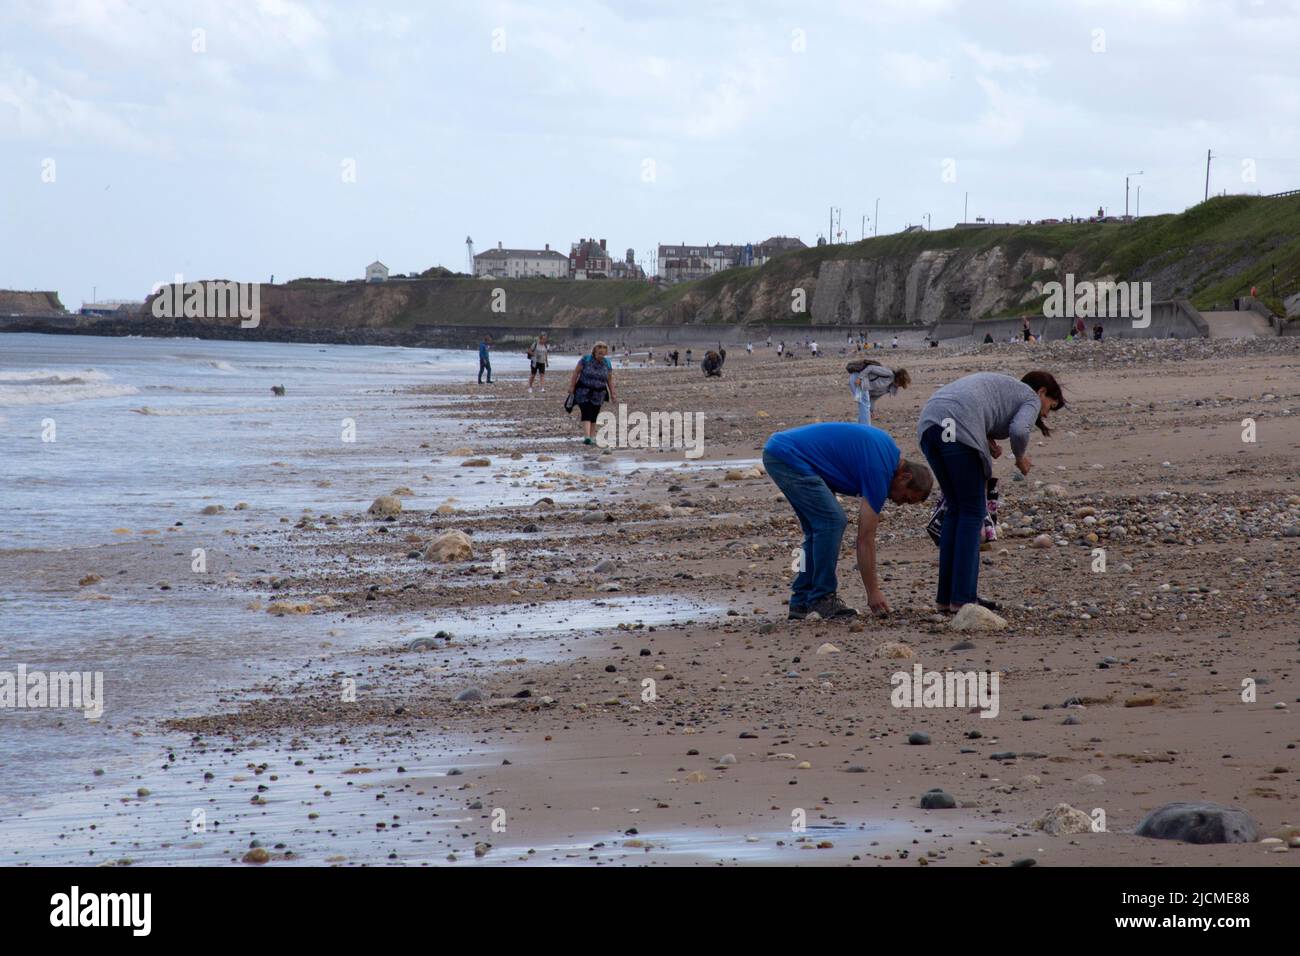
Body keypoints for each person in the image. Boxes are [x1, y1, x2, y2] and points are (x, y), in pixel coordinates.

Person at [917, 370, 1065, 613]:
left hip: (929, 423)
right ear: (1041, 392)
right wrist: (1020, 458)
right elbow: (1019, 430)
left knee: (955, 509)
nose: (1046, 412)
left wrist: (984, 440)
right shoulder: (1029, 397)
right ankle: (963, 598)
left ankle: (946, 598)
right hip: (957, 423)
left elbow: (959, 416)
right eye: (1051, 404)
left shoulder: (1003, 390)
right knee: (973, 512)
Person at [763, 423, 933, 620]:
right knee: (832, 522)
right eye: (906, 498)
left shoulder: (887, 451)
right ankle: (822, 597)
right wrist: (873, 592)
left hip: (781, 451)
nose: (899, 503)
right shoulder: (880, 470)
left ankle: (801, 600)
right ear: (905, 476)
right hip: (788, 456)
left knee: (816, 531)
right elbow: (865, 539)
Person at [567, 341, 617, 445]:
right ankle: (587, 437)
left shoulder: (607, 363)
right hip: (583, 391)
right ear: (594, 352)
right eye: (599, 353)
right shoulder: (585, 360)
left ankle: (592, 437)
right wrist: (572, 386)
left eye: (603, 354)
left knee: (594, 414)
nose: (601, 356)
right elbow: (576, 372)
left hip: (599, 393)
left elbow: (610, 379)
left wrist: (613, 393)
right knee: (586, 411)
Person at [845, 359, 910, 426]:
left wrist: (871, 410)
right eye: (902, 384)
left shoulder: (888, 387)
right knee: (864, 404)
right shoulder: (889, 373)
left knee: (864, 405)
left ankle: (861, 426)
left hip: (861, 382)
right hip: (858, 379)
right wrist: (860, 378)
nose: (900, 386)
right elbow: (871, 368)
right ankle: (866, 427)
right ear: (900, 378)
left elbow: (873, 398)